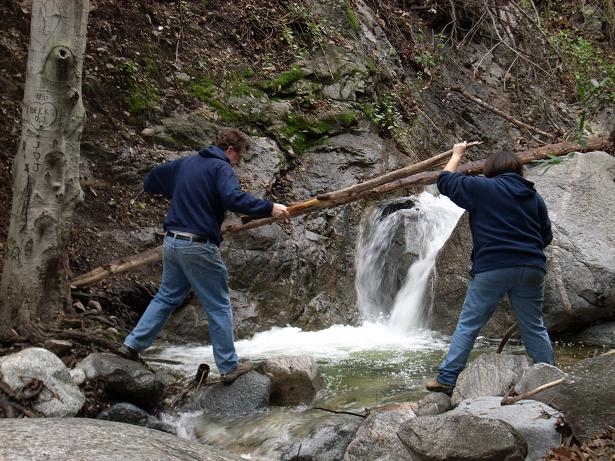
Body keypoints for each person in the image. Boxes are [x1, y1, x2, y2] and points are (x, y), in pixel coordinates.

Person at [120, 128, 290, 384]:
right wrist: (269, 208)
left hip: (172, 242)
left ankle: (132, 345)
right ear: (229, 150)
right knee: (218, 304)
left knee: (166, 297)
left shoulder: (186, 163)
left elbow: (151, 180)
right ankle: (228, 366)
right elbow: (233, 198)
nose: (238, 164)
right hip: (198, 245)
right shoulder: (221, 168)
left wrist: (187, 194)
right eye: (239, 158)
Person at [426, 141, 554, 395]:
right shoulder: (534, 198)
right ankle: (550, 378)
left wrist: (457, 154)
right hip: (531, 267)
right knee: (534, 326)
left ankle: (447, 379)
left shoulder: (482, 187)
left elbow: (445, 181)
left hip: (493, 266)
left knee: (470, 324)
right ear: (519, 171)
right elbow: (545, 237)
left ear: (490, 169)